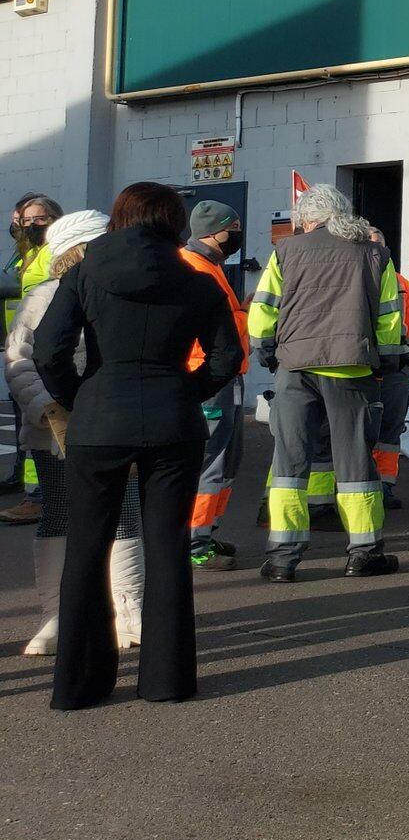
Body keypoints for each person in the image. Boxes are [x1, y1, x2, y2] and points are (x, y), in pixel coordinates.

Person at [35, 182, 241, 708]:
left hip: (100, 417)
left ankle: (78, 686)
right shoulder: (196, 278)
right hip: (173, 418)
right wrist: (184, 391)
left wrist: (80, 397)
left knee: (86, 546)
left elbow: (49, 349)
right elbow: (226, 356)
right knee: (167, 546)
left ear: (120, 218)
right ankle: (166, 680)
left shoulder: (85, 272)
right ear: (174, 221)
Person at [7, 211, 147, 656]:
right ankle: (56, 615)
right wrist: (49, 408)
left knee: (123, 513)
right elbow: (19, 360)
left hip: (113, 421)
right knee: (60, 512)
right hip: (56, 425)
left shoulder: (125, 293)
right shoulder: (43, 297)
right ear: (80, 248)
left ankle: (129, 610)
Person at [248, 184, 404, 581]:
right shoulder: (374, 253)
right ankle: (363, 552)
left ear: (306, 219)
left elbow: (263, 309)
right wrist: (385, 361)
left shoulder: (285, 251)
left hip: (295, 369)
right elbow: (389, 318)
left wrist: (269, 353)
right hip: (352, 370)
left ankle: (283, 558)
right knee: (355, 464)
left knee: (289, 464)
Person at [180, 201, 248, 569]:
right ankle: (194, 542)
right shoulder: (194, 266)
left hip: (226, 374)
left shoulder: (209, 265)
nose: (237, 233)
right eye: (233, 227)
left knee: (227, 458)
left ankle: (207, 531)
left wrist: (243, 311)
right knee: (211, 461)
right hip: (206, 374)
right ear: (215, 230)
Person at [2, 192, 62, 521]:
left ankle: (40, 496)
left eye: (40, 218)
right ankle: (34, 491)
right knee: (29, 423)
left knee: (40, 422)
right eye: (25, 220)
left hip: (39, 347)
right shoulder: (26, 253)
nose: (31, 225)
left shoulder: (53, 250)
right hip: (20, 348)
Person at [365, 230, 409, 513]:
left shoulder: (400, 283)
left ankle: (385, 485)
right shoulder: (355, 277)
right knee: (362, 428)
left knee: (390, 428)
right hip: (363, 366)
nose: (376, 249)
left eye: (379, 244)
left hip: (395, 367)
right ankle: (361, 484)